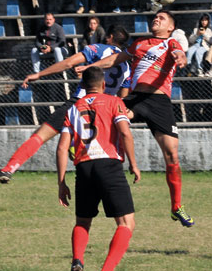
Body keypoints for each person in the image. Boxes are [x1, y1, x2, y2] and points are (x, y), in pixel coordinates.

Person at [75, 11, 194, 228]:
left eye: (162, 18)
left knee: (172, 155)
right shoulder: (139, 44)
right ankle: (86, 154)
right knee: (110, 119)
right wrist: (91, 67)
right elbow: (113, 59)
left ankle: (176, 206)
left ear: (170, 28)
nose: (156, 19)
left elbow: (179, 53)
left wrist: (181, 57)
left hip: (159, 102)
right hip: (136, 98)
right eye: (155, 17)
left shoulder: (171, 43)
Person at [0, 25, 131, 187]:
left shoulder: (99, 49)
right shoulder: (127, 67)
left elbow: (68, 63)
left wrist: (39, 74)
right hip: (104, 110)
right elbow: (123, 97)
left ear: (110, 37)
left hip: (80, 103)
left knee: (40, 136)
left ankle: (8, 169)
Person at [57, 66, 140, 271]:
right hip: (108, 164)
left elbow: (62, 147)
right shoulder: (114, 102)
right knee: (126, 223)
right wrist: (133, 164)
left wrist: (61, 182)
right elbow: (124, 133)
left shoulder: (73, 108)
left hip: (83, 167)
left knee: (83, 221)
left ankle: (77, 261)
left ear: (83, 86)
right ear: (104, 84)